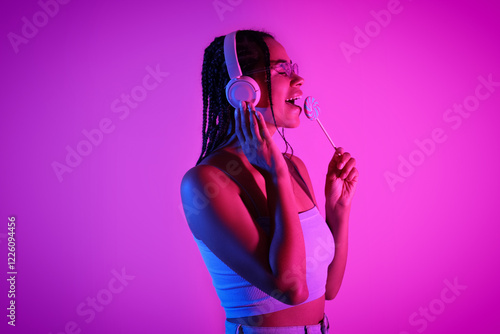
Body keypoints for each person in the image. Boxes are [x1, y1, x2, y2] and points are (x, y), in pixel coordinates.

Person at [180, 29, 359, 334]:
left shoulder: (295, 167)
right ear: (243, 89)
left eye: (293, 69)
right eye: (281, 69)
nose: (298, 81)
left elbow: (327, 288)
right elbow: (292, 289)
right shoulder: (205, 183)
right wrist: (274, 173)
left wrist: (338, 212)